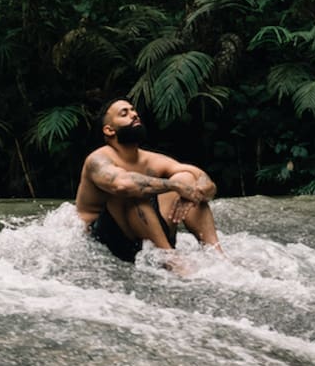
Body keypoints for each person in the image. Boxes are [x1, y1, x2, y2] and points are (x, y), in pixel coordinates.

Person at [75, 97, 222, 263]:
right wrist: (175, 186)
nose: (134, 115)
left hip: (146, 234)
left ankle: (217, 256)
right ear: (109, 130)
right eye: (124, 113)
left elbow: (207, 184)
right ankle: (172, 261)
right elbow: (122, 185)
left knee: (187, 177)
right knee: (134, 189)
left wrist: (196, 191)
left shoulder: (152, 159)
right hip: (106, 240)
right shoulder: (97, 159)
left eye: (133, 110)